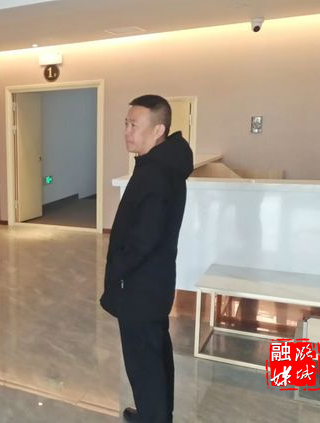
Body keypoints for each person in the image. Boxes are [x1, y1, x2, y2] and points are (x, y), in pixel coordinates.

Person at [100, 95, 193, 422]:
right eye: (126, 124)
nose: (127, 131)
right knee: (155, 353)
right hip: (155, 282)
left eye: (134, 125)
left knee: (143, 361)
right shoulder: (162, 166)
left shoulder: (155, 173)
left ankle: (153, 417)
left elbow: (144, 239)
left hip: (140, 286)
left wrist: (118, 270)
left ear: (158, 130)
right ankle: (157, 414)